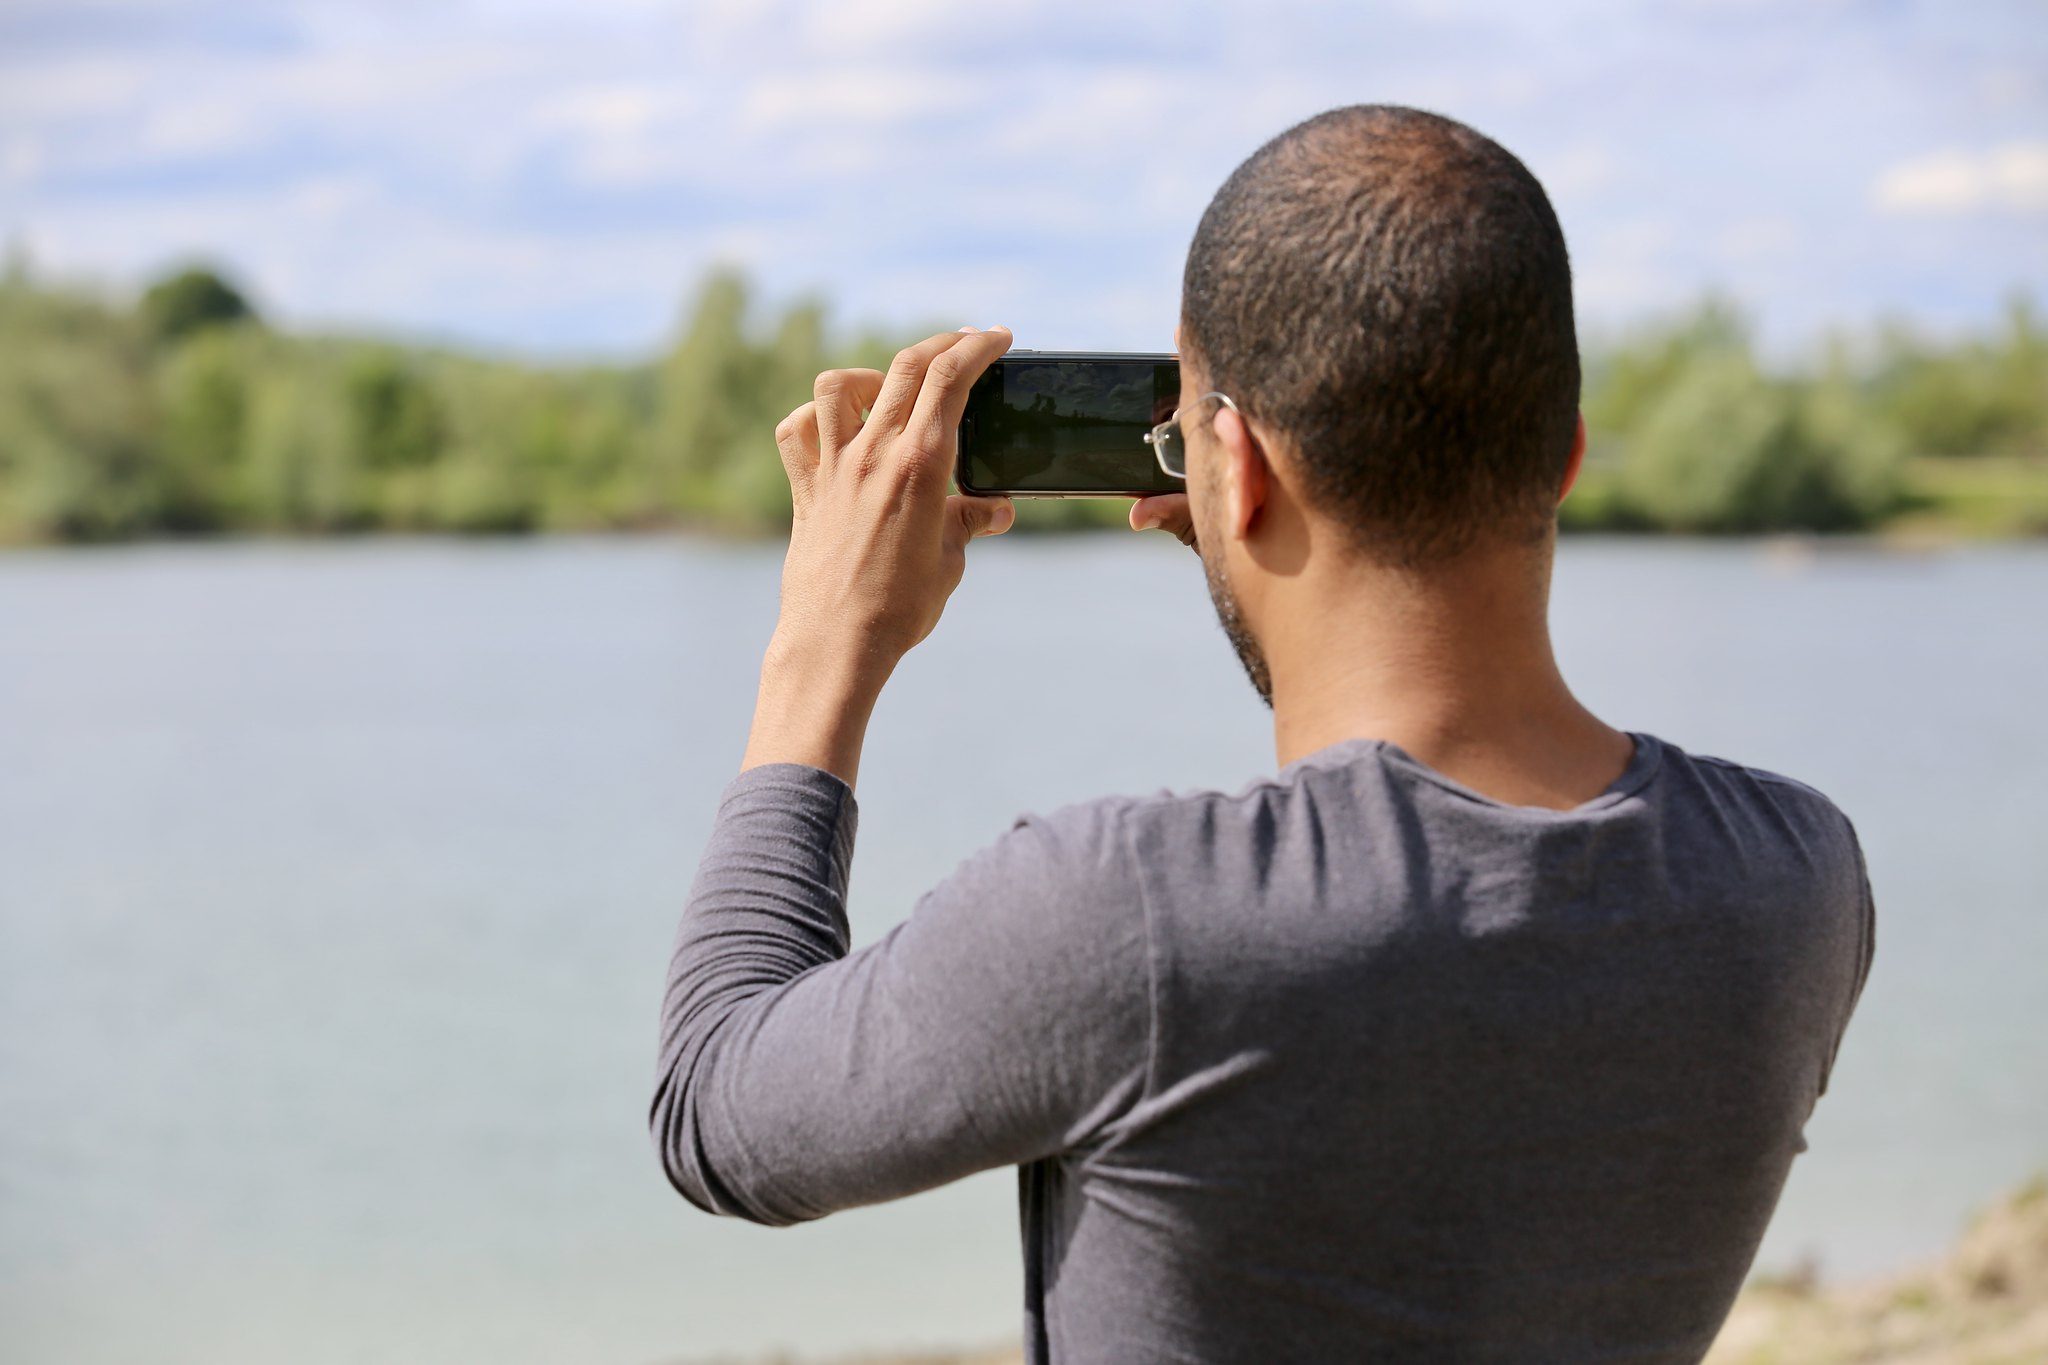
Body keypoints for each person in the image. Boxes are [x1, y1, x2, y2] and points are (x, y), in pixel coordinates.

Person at [648, 104, 1875, 1364]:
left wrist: (822, 643)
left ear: (1226, 462)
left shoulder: (1128, 917)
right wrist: (1264, 550)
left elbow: (715, 1111)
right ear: (1561, 457)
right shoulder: (1792, 879)